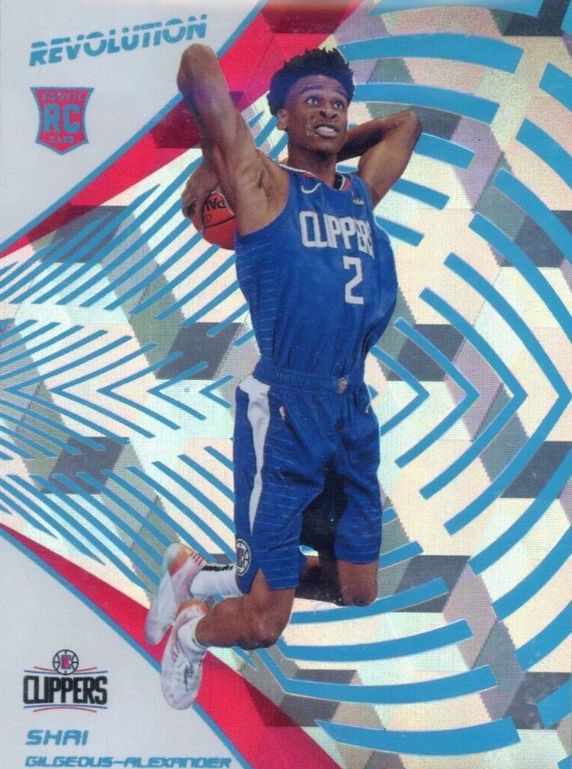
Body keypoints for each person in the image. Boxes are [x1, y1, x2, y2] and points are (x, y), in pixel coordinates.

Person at [145, 44, 421, 709]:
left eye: (337, 103)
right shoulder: (261, 185)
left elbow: (405, 124)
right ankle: (192, 632)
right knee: (266, 624)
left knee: (358, 588)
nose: (328, 111)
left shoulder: (358, 194)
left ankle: (201, 578)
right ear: (280, 115)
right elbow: (196, 63)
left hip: (350, 410)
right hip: (286, 413)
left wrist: (328, 137)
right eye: (311, 102)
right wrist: (228, 153)